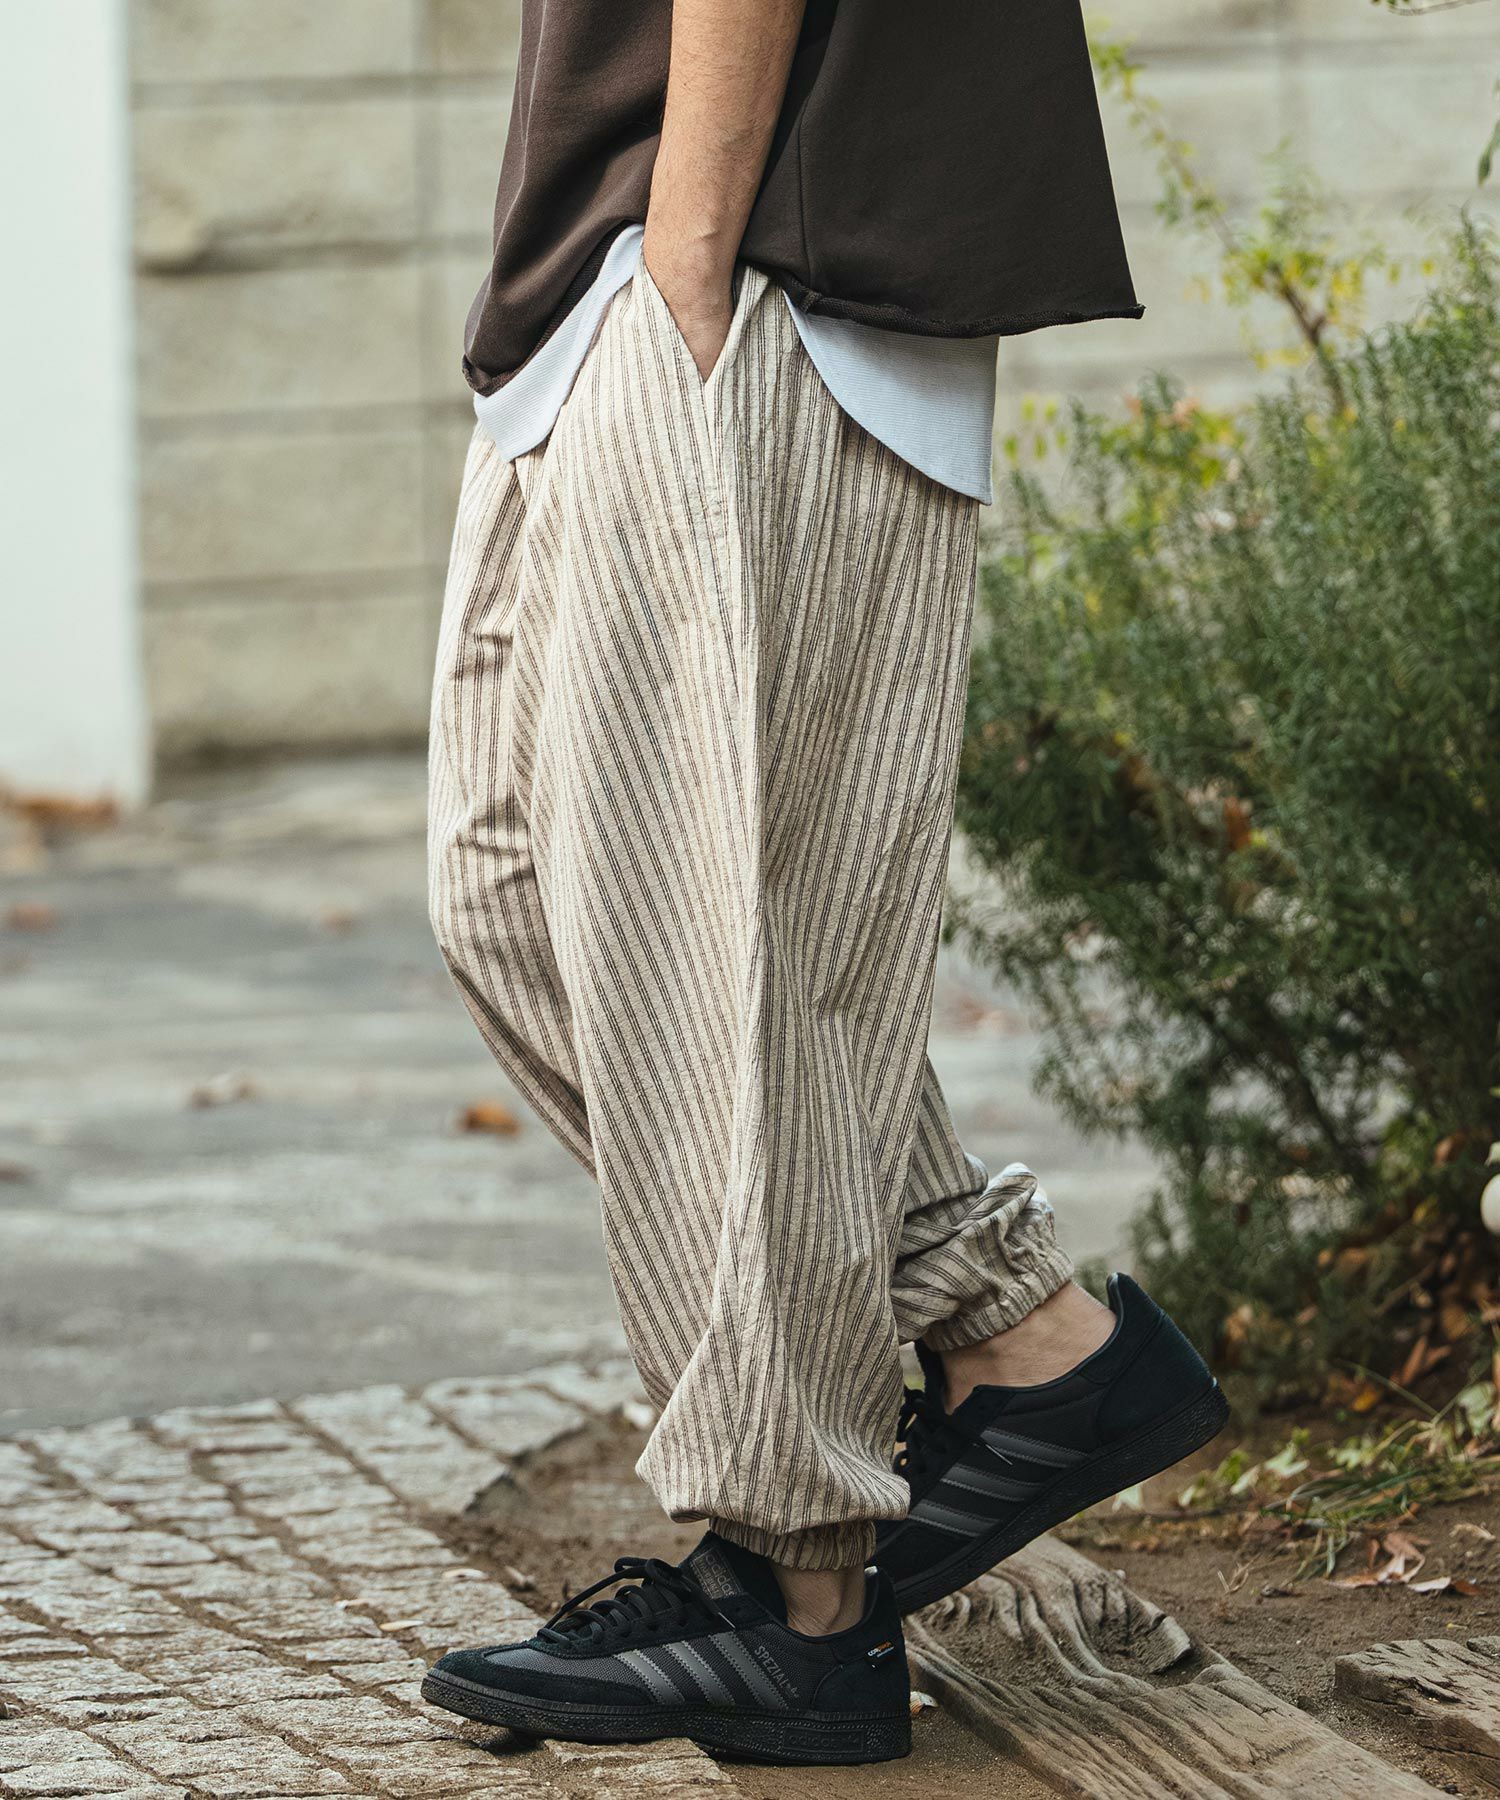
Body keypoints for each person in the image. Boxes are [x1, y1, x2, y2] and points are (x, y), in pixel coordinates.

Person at [422, 0, 1227, 1767]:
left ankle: (800, 1594)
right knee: (518, 899)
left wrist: (691, 257)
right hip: (603, 264)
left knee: (690, 941)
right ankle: (1017, 1331)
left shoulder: (712, 260)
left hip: (752, 249)